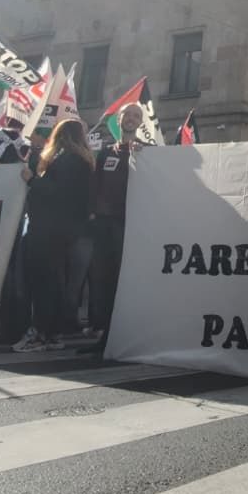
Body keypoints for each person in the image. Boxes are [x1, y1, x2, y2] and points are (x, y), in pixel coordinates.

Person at [15, 118, 94, 353]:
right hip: (64, 229)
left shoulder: (68, 160)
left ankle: (42, 333)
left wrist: (32, 181)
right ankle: (51, 333)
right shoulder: (81, 160)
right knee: (55, 281)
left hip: (50, 229)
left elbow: (57, 194)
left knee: (45, 282)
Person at [81, 102, 145, 357]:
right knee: (101, 281)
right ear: (118, 120)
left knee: (122, 282)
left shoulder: (147, 152)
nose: (130, 119)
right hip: (104, 226)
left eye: (136, 116)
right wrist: (93, 213)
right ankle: (104, 334)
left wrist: (143, 157)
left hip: (129, 226)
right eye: (126, 115)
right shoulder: (106, 152)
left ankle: (120, 336)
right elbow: (93, 187)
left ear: (141, 122)